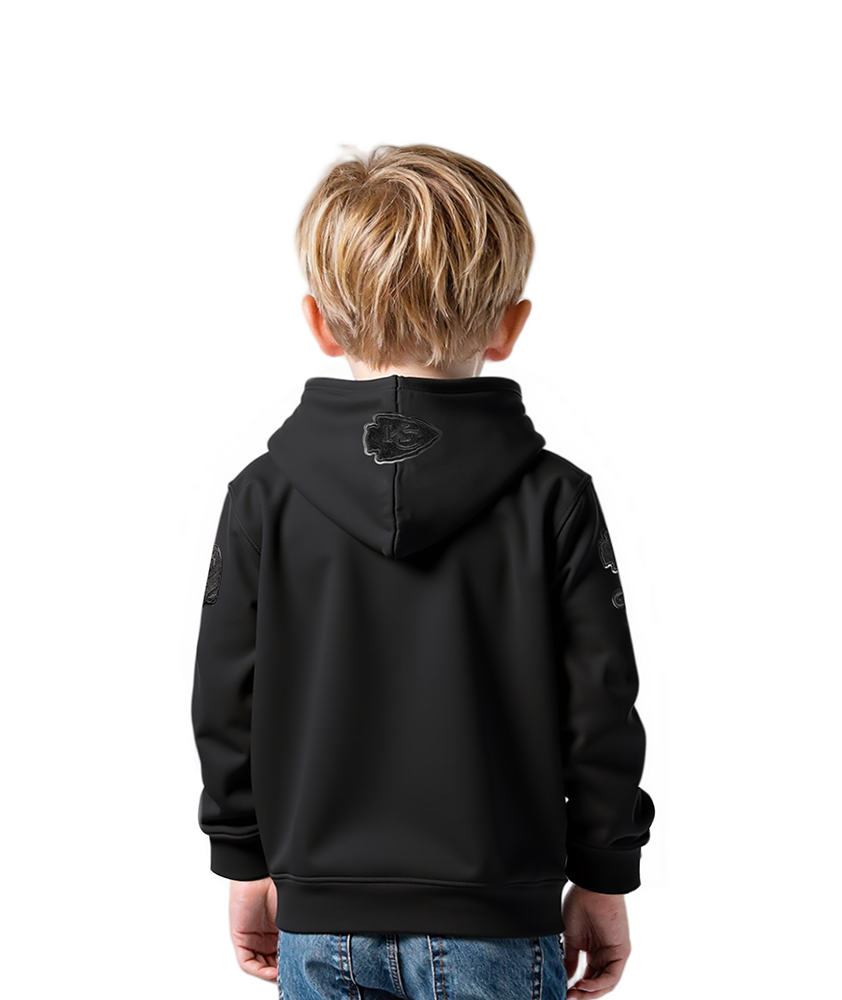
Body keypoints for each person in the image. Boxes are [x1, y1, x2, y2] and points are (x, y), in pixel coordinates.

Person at [190, 144, 655, 999]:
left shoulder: (263, 497)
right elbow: (600, 708)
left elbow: (226, 700)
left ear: (321, 323)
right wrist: (604, 875)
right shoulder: (554, 498)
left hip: (318, 919)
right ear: (509, 327)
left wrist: (242, 860)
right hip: (500, 920)